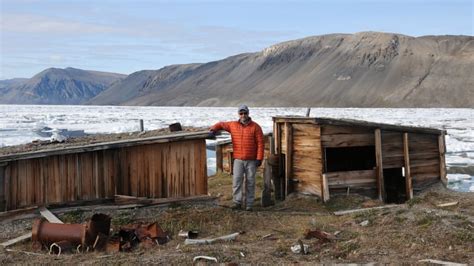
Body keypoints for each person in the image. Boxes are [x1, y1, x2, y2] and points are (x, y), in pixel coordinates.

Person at [209, 104, 264, 211]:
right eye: (241, 113)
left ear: (248, 113)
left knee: (250, 182)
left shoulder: (256, 127)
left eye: (245, 113)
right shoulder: (233, 125)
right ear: (238, 114)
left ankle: (249, 204)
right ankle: (237, 202)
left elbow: (261, 144)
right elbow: (220, 124)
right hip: (238, 159)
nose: (243, 115)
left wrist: (259, 158)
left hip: (251, 160)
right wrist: (213, 130)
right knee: (237, 181)